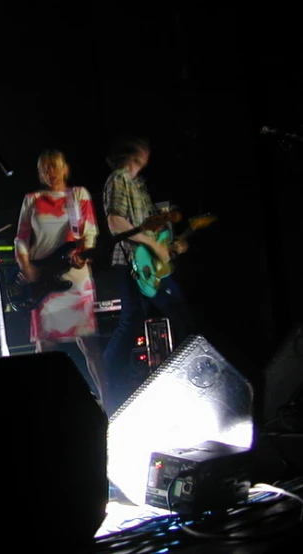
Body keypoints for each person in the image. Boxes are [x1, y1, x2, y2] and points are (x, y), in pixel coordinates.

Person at [101, 135, 195, 411]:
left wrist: (172, 245)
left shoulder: (139, 185)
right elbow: (115, 221)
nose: (148, 153)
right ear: (132, 151)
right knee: (162, 316)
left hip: (146, 264)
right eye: (143, 148)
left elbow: (152, 228)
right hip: (130, 262)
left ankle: (111, 381)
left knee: (143, 319)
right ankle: (108, 382)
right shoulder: (119, 179)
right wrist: (153, 243)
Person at [14, 149, 110, 409]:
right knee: (44, 346)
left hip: (76, 278)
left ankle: (108, 403)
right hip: (43, 278)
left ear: (65, 168)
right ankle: (44, 405)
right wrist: (27, 265)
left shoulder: (79, 195)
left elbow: (90, 233)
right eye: (44, 168)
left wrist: (83, 254)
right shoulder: (32, 199)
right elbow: (21, 238)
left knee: (89, 344)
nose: (50, 172)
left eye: (54, 166)